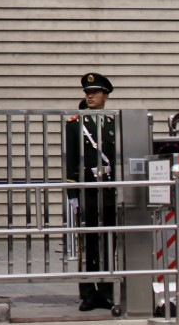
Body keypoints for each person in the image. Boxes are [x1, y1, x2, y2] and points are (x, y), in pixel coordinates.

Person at [65, 72, 117, 312]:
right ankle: (87, 292)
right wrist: (73, 195)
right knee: (88, 245)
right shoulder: (76, 124)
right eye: (87, 92)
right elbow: (70, 160)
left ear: (105, 95)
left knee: (108, 242)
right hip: (86, 191)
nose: (90, 96)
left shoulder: (112, 122)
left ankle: (106, 292)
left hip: (107, 191)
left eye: (95, 92)